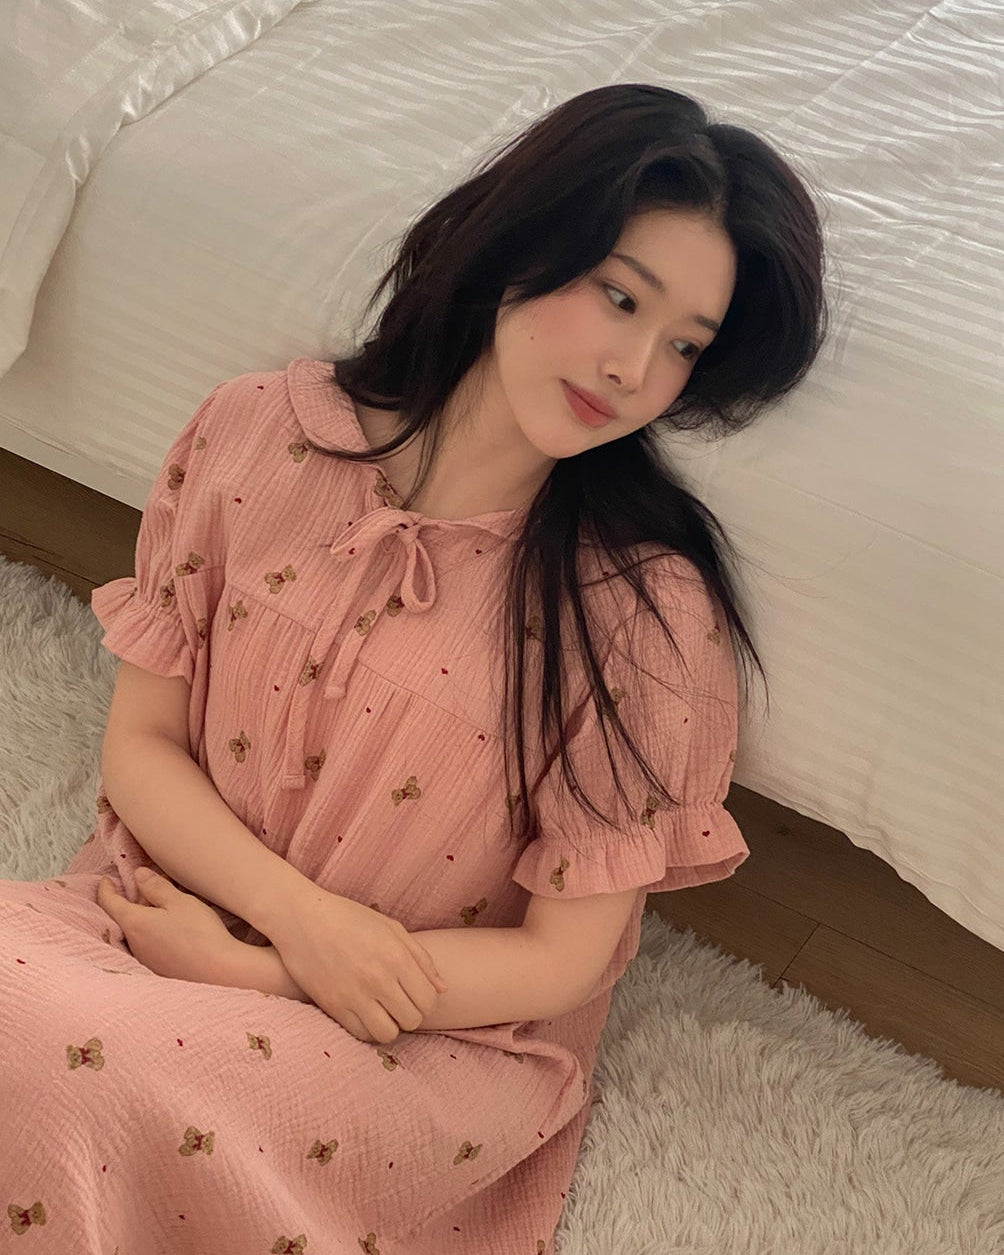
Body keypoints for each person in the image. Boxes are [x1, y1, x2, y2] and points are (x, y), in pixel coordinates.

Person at [1, 84, 827, 1253]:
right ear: (521, 246)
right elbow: (140, 747)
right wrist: (283, 918)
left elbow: (562, 958)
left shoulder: (637, 617)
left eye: (683, 345)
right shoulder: (256, 435)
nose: (634, 366)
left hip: (413, 1033)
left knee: (73, 1091)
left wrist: (273, 973)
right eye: (618, 296)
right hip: (158, 909)